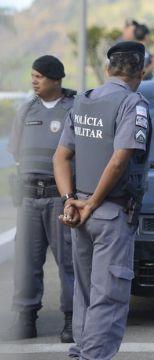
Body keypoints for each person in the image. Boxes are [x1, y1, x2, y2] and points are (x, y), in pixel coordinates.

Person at [53, 41, 152, 360]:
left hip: (78, 213)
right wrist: (94, 201)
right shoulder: (132, 102)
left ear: (108, 69)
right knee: (109, 295)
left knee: (85, 293)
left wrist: (71, 200)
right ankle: (94, 356)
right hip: (109, 212)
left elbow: (61, 156)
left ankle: (82, 350)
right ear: (139, 72)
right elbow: (120, 159)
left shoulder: (83, 100)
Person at [2, 56, 76, 343]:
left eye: (39, 76)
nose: (33, 81)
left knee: (68, 262)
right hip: (30, 198)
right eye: (32, 75)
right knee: (26, 262)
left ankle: (72, 320)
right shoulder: (25, 110)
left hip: (60, 198)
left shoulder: (74, 109)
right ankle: (25, 319)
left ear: (56, 79)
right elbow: (17, 154)